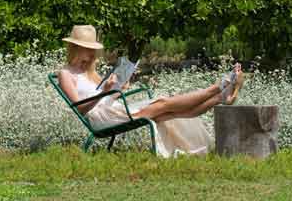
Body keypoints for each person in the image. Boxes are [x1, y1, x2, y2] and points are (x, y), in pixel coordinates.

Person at [56, 24, 247, 157]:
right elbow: (80, 108)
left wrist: (118, 87)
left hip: (114, 109)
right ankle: (218, 87)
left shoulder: (90, 72)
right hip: (101, 119)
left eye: (92, 49)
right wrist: (104, 91)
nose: (91, 54)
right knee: (163, 104)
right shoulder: (66, 73)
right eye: (86, 49)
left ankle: (221, 97)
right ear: (74, 47)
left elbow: (107, 97)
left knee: (169, 111)